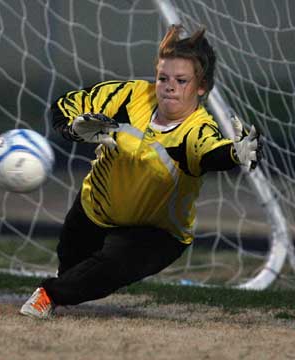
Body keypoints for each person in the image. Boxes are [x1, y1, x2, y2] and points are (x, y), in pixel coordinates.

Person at [20, 24, 262, 318]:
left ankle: (48, 293)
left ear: (202, 87)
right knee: (72, 273)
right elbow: (66, 104)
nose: (169, 86)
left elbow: (209, 152)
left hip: (157, 231)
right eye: (163, 78)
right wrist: (72, 128)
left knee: (108, 269)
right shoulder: (128, 96)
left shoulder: (197, 129)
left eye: (182, 80)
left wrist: (234, 154)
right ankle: (63, 285)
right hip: (94, 210)